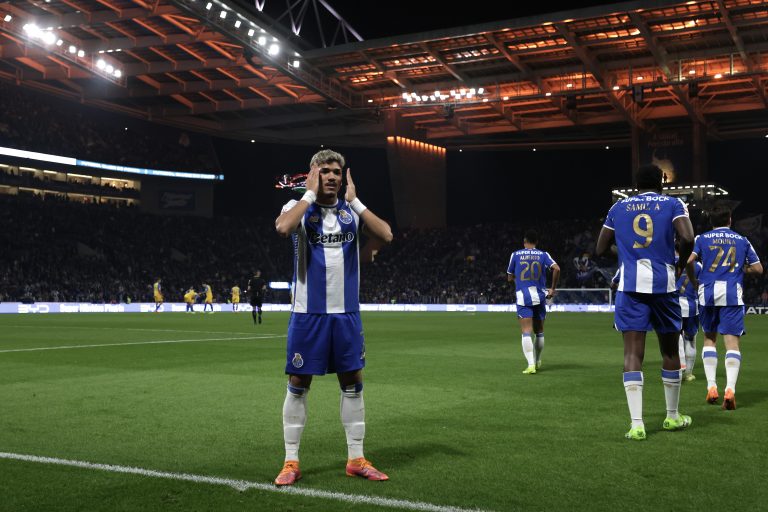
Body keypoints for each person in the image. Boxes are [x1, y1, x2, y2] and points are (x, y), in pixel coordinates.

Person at [273, 149, 393, 486]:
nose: (331, 177)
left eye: (337, 172)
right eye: (325, 171)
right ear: (313, 173)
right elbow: (283, 228)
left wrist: (355, 203)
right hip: (307, 314)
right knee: (299, 384)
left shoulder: (350, 213)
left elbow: (385, 235)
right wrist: (308, 195)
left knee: (352, 382)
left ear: (344, 178)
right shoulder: (297, 209)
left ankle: (356, 457)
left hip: (346, 315)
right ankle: (291, 461)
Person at [596, 164, 695, 441]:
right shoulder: (673, 204)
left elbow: (600, 248)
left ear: (636, 184)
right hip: (664, 286)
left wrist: (625, 252)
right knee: (670, 351)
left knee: (632, 353)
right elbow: (687, 237)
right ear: (662, 182)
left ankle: (637, 424)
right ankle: (673, 417)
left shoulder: (618, 208)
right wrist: (678, 264)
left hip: (630, 287)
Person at [687, 204, 763, 410]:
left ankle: (712, 386)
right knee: (732, 345)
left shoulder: (701, 239)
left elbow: (690, 261)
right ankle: (730, 389)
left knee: (710, 340)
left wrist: (695, 281)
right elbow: (758, 268)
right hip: (731, 294)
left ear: (711, 222)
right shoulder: (742, 240)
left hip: (708, 293)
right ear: (730, 220)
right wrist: (741, 269)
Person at [506, 230, 560, 374]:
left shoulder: (516, 255)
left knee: (526, 332)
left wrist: (519, 282)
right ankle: (538, 360)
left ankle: (530, 365)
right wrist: (552, 289)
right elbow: (556, 268)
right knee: (540, 331)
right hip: (540, 296)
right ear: (536, 242)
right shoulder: (543, 254)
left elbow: (509, 277)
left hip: (523, 297)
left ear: (524, 241)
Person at [675, 256, 703, 382]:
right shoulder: (698, 266)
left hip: (673, 305)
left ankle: (680, 365)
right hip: (692, 306)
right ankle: (688, 374)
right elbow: (702, 285)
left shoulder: (671, 262)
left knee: (676, 336)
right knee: (690, 339)